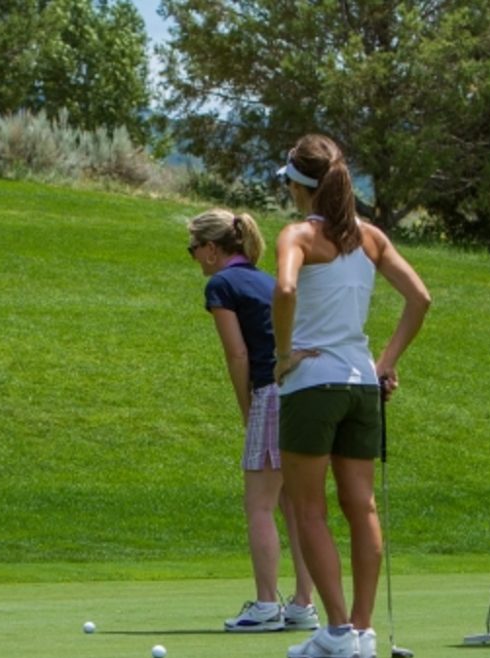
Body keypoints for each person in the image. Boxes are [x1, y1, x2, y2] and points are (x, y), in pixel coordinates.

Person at [272, 134, 431, 658]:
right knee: (360, 506)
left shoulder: (297, 235)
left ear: (301, 186)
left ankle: (337, 631)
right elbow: (419, 298)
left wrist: (283, 354)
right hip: (362, 384)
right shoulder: (371, 238)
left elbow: (287, 290)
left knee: (308, 508)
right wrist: (386, 363)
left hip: (312, 385)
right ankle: (360, 630)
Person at [186, 209, 318, 633]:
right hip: (303, 392)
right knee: (296, 504)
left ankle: (265, 606)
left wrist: (247, 409)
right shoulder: (264, 280)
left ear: (211, 248)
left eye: (193, 249)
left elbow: (237, 354)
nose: (193, 257)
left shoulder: (221, 284)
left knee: (259, 504)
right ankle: (302, 603)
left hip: (270, 391)